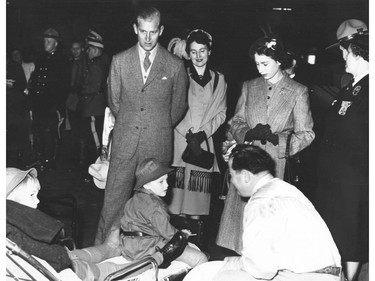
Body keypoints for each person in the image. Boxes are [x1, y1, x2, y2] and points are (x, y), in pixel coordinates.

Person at [95, 6, 188, 244]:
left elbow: (177, 108)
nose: (147, 38)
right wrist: (132, 123)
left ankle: (149, 259)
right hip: (125, 143)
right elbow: (114, 102)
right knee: (113, 204)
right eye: (143, 31)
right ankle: (103, 256)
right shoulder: (119, 61)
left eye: (153, 32)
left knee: (153, 209)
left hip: (157, 144)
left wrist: (155, 126)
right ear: (135, 29)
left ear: (161, 31)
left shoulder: (175, 65)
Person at [184, 144, 342, 281]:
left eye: (232, 175)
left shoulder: (260, 203)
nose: (231, 181)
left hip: (309, 277)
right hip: (330, 275)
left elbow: (262, 269)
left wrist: (234, 263)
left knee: (221, 276)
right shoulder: (284, 188)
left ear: (245, 176)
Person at [217, 35, 315, 253]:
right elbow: (236, 121)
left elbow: (306, 134)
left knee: (267, 230)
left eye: (265, 64)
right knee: (240, 228)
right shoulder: (249, 87)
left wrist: (278, 140)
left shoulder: (298, 91)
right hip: (246, 161)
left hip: (275, 166)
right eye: (257, 64)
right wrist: (247, 132)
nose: (260, 69)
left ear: (279, 61)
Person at [70, 158, 207, 280]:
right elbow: (168, 233)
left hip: (128, 245)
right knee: (201, 258)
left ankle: (74, 257)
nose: (166, 185)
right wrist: (183, 235)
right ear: (146, 185)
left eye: (166, 180)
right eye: (161, 182)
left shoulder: (133, 199)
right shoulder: (155, 207)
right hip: (147, 248)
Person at [314, 19, 369, 281]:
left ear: (356, 51)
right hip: (337, 180)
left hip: (355, 181)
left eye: (345, 50)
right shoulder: (351, 86)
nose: (342, 55)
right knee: (341, 234)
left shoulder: (368, 89)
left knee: (351, 236)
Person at [168, 29, 227, 219]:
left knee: (198, 205)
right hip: (180, 143)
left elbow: (221, 113)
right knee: (176, 203)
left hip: (203, 144)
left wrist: (202, 134)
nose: (198, 56)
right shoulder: (180, 75)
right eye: (193, 52)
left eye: (202, 51)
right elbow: (171, 109)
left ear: (209, 51)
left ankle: (196, 243)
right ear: (188, 53)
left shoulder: (219, 79)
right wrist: (188, 133)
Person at [28, 28, 70, 171]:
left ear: (56, 43)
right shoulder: (41, 59)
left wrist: (58, 106)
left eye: (49, 41)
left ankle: (49, 161)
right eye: (45, 41)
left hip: (51, 104)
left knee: (50, 133)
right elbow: (35, 81)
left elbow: (63, 86)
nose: (46, 43)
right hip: (39, 103)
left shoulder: (61, 60)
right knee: (39, 130)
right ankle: (40, 159)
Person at [78, 29, 110, 179]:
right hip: (92, 106)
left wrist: (80, 89)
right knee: (93, 139)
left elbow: (94, 86)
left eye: (90, 49)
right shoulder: (95, 62)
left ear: (96, 49)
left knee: (95, 141)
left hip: (94, 106)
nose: (87, 51)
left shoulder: (97, 65)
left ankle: (96, 170)